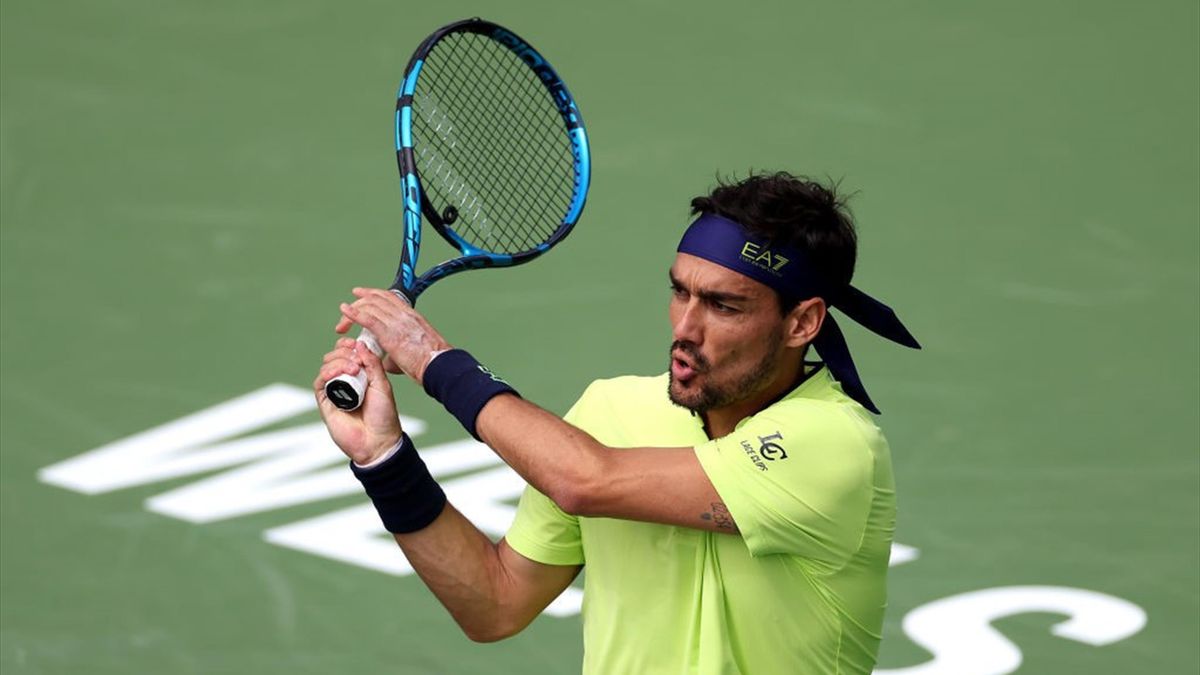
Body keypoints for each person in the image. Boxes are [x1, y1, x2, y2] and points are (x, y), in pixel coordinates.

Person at [314, 172, 920, 674]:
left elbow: (585, 480)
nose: (685, 327)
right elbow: (495, 605)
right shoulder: (610, 412)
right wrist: (384, 458)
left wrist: (434, 360)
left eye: (723, 305)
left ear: (801, 323)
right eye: (680, 293)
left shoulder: (835, 443)